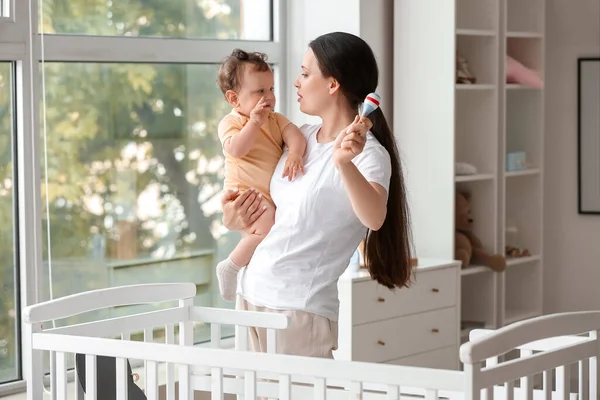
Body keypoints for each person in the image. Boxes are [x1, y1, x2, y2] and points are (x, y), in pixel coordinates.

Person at [220, 32, 414, 358]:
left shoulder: (368, 154)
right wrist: (233, 216)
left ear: (332, 84)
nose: (296, 82)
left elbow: (375, 217)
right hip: (252, 294)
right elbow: (273, 206)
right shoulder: (300, 138)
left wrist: (343, 163)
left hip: (297, 310)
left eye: (306, 73)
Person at [215, 49, 307, 302]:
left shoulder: (276, 119)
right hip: (245, 191)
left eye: (271, 89)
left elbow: (295, 136)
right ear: (234, 99)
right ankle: (231, 266)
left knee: (265, 235)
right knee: (263, 231)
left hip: (267, 194)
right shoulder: (230, 123)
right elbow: (236, 149)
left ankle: (246, 272)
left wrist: (295, 154)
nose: (269, 98)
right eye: (259, 92)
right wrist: (254, 123)